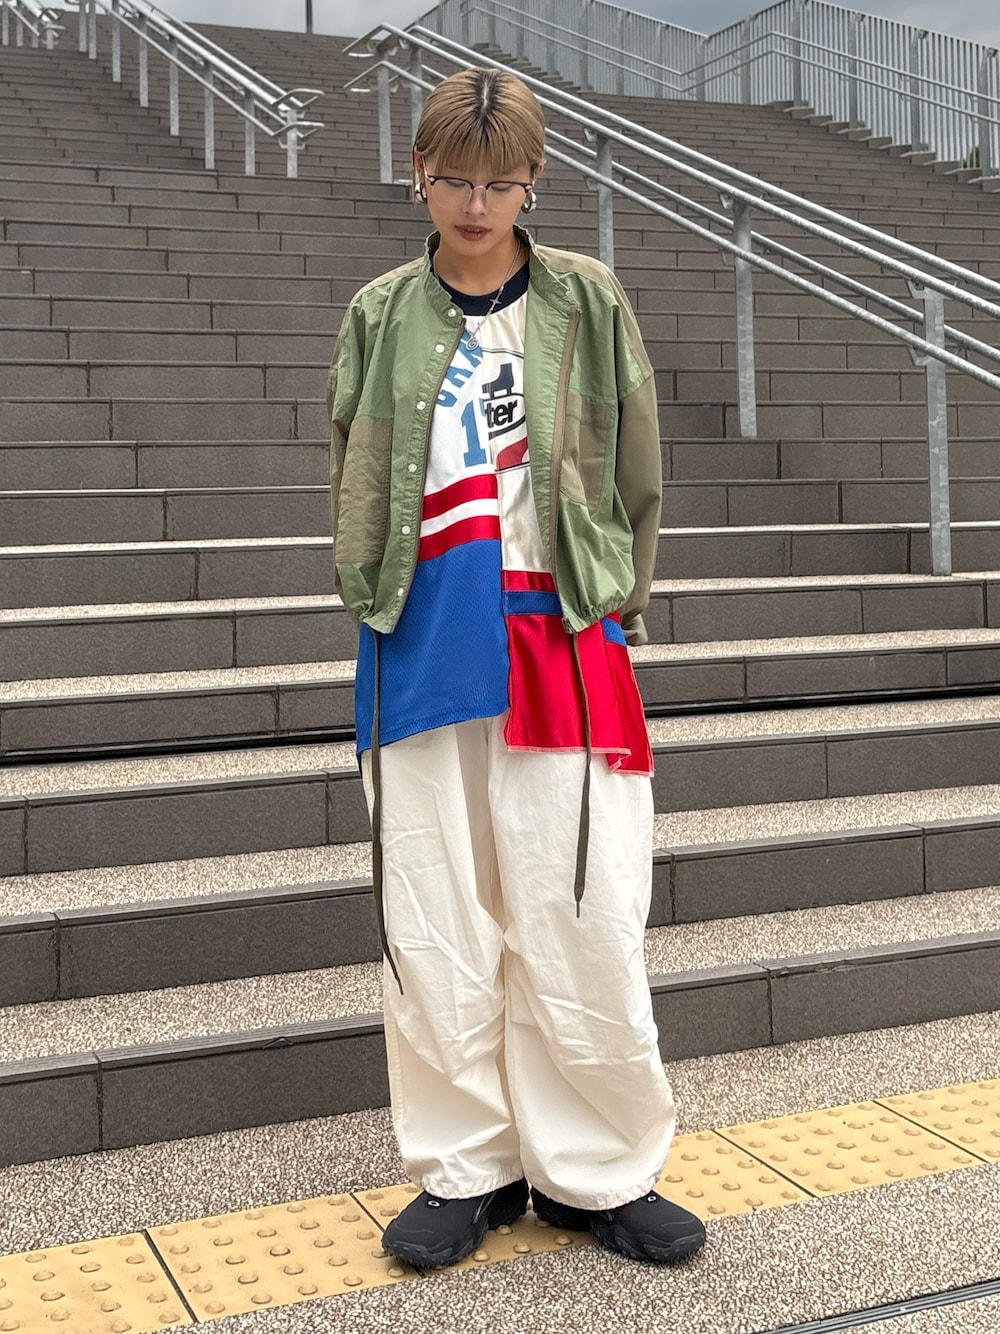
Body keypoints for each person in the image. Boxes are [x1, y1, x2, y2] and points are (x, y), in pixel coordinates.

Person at [327, 66, 706, 1270]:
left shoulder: (587, 300)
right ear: (418, 176)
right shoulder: (380, 313)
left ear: (534, 181)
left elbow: (636, 466)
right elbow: (353, 467)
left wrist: (617, 602)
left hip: (563, 636)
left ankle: (598, 1167)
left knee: (582, 904)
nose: (476, 204)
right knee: (432, 910)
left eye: (499, 183)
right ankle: (467, 1166)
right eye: (455, 180)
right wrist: (368, 591)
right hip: (422, 636)